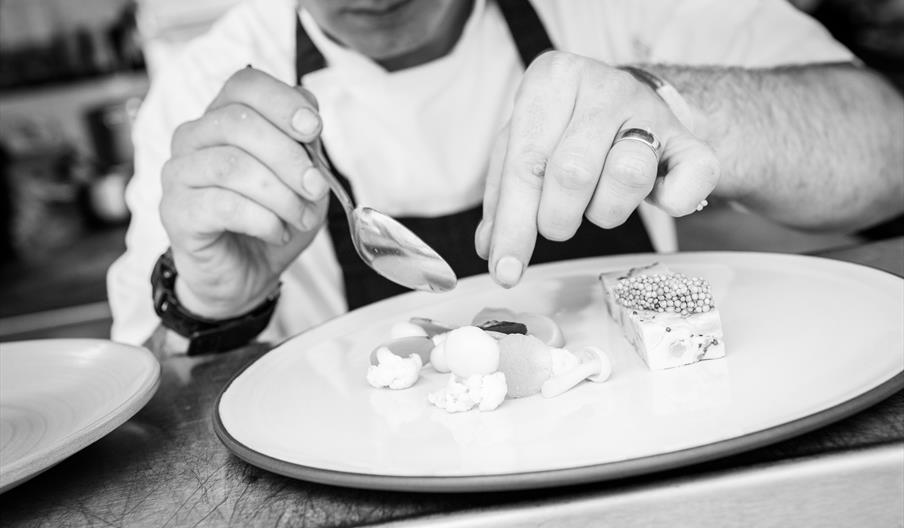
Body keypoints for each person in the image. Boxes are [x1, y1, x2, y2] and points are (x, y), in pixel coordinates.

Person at [107, 0, 904, 353]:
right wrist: (213, 301)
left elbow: (888, 152)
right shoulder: (204, 80)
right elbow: (152, 396)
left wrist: (679, 106)